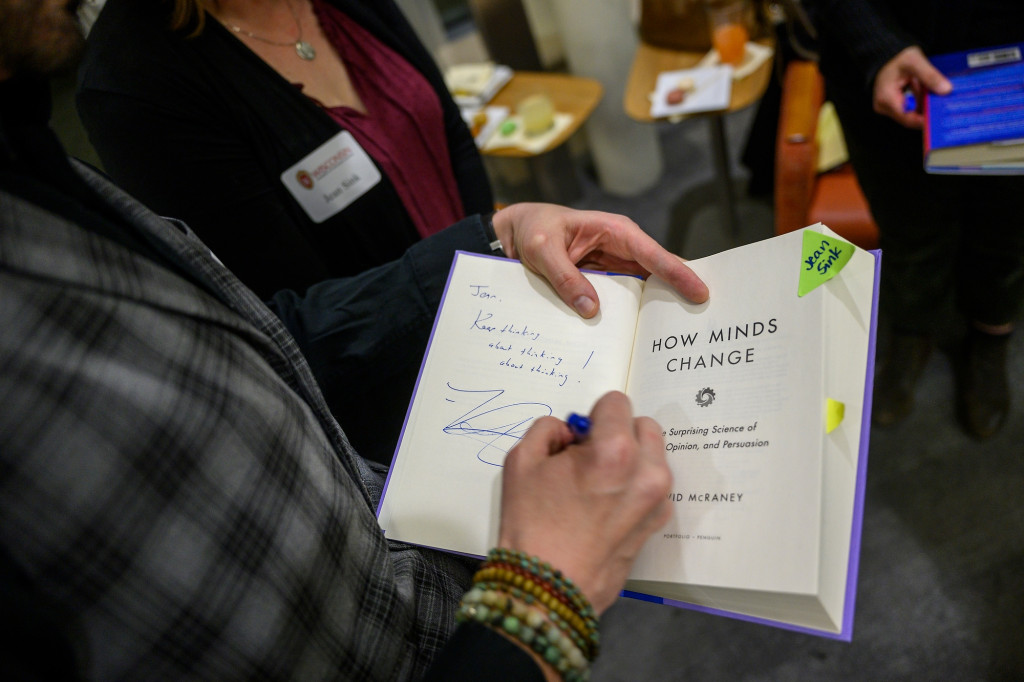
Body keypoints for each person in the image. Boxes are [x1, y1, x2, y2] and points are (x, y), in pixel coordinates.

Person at [0, 2, 707, 678]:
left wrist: (493, 235)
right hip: (404, 412)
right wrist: (537, 610)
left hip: (467, 379)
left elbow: (257, 336)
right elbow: (281, 332)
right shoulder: (130, 82)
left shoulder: (35, 166)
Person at [75, 0, 494, 301]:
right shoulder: (133, 81)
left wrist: (491, 260)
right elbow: (291, 308)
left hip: (487, 305)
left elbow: (451, 134)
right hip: (394, 376)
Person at [807, 0, 1024, 438]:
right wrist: (877, 45)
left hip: (1012, 73)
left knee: (1008, 231)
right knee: (907, 230)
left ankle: (990, 333)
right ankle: (911, 330)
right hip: (881, 68)